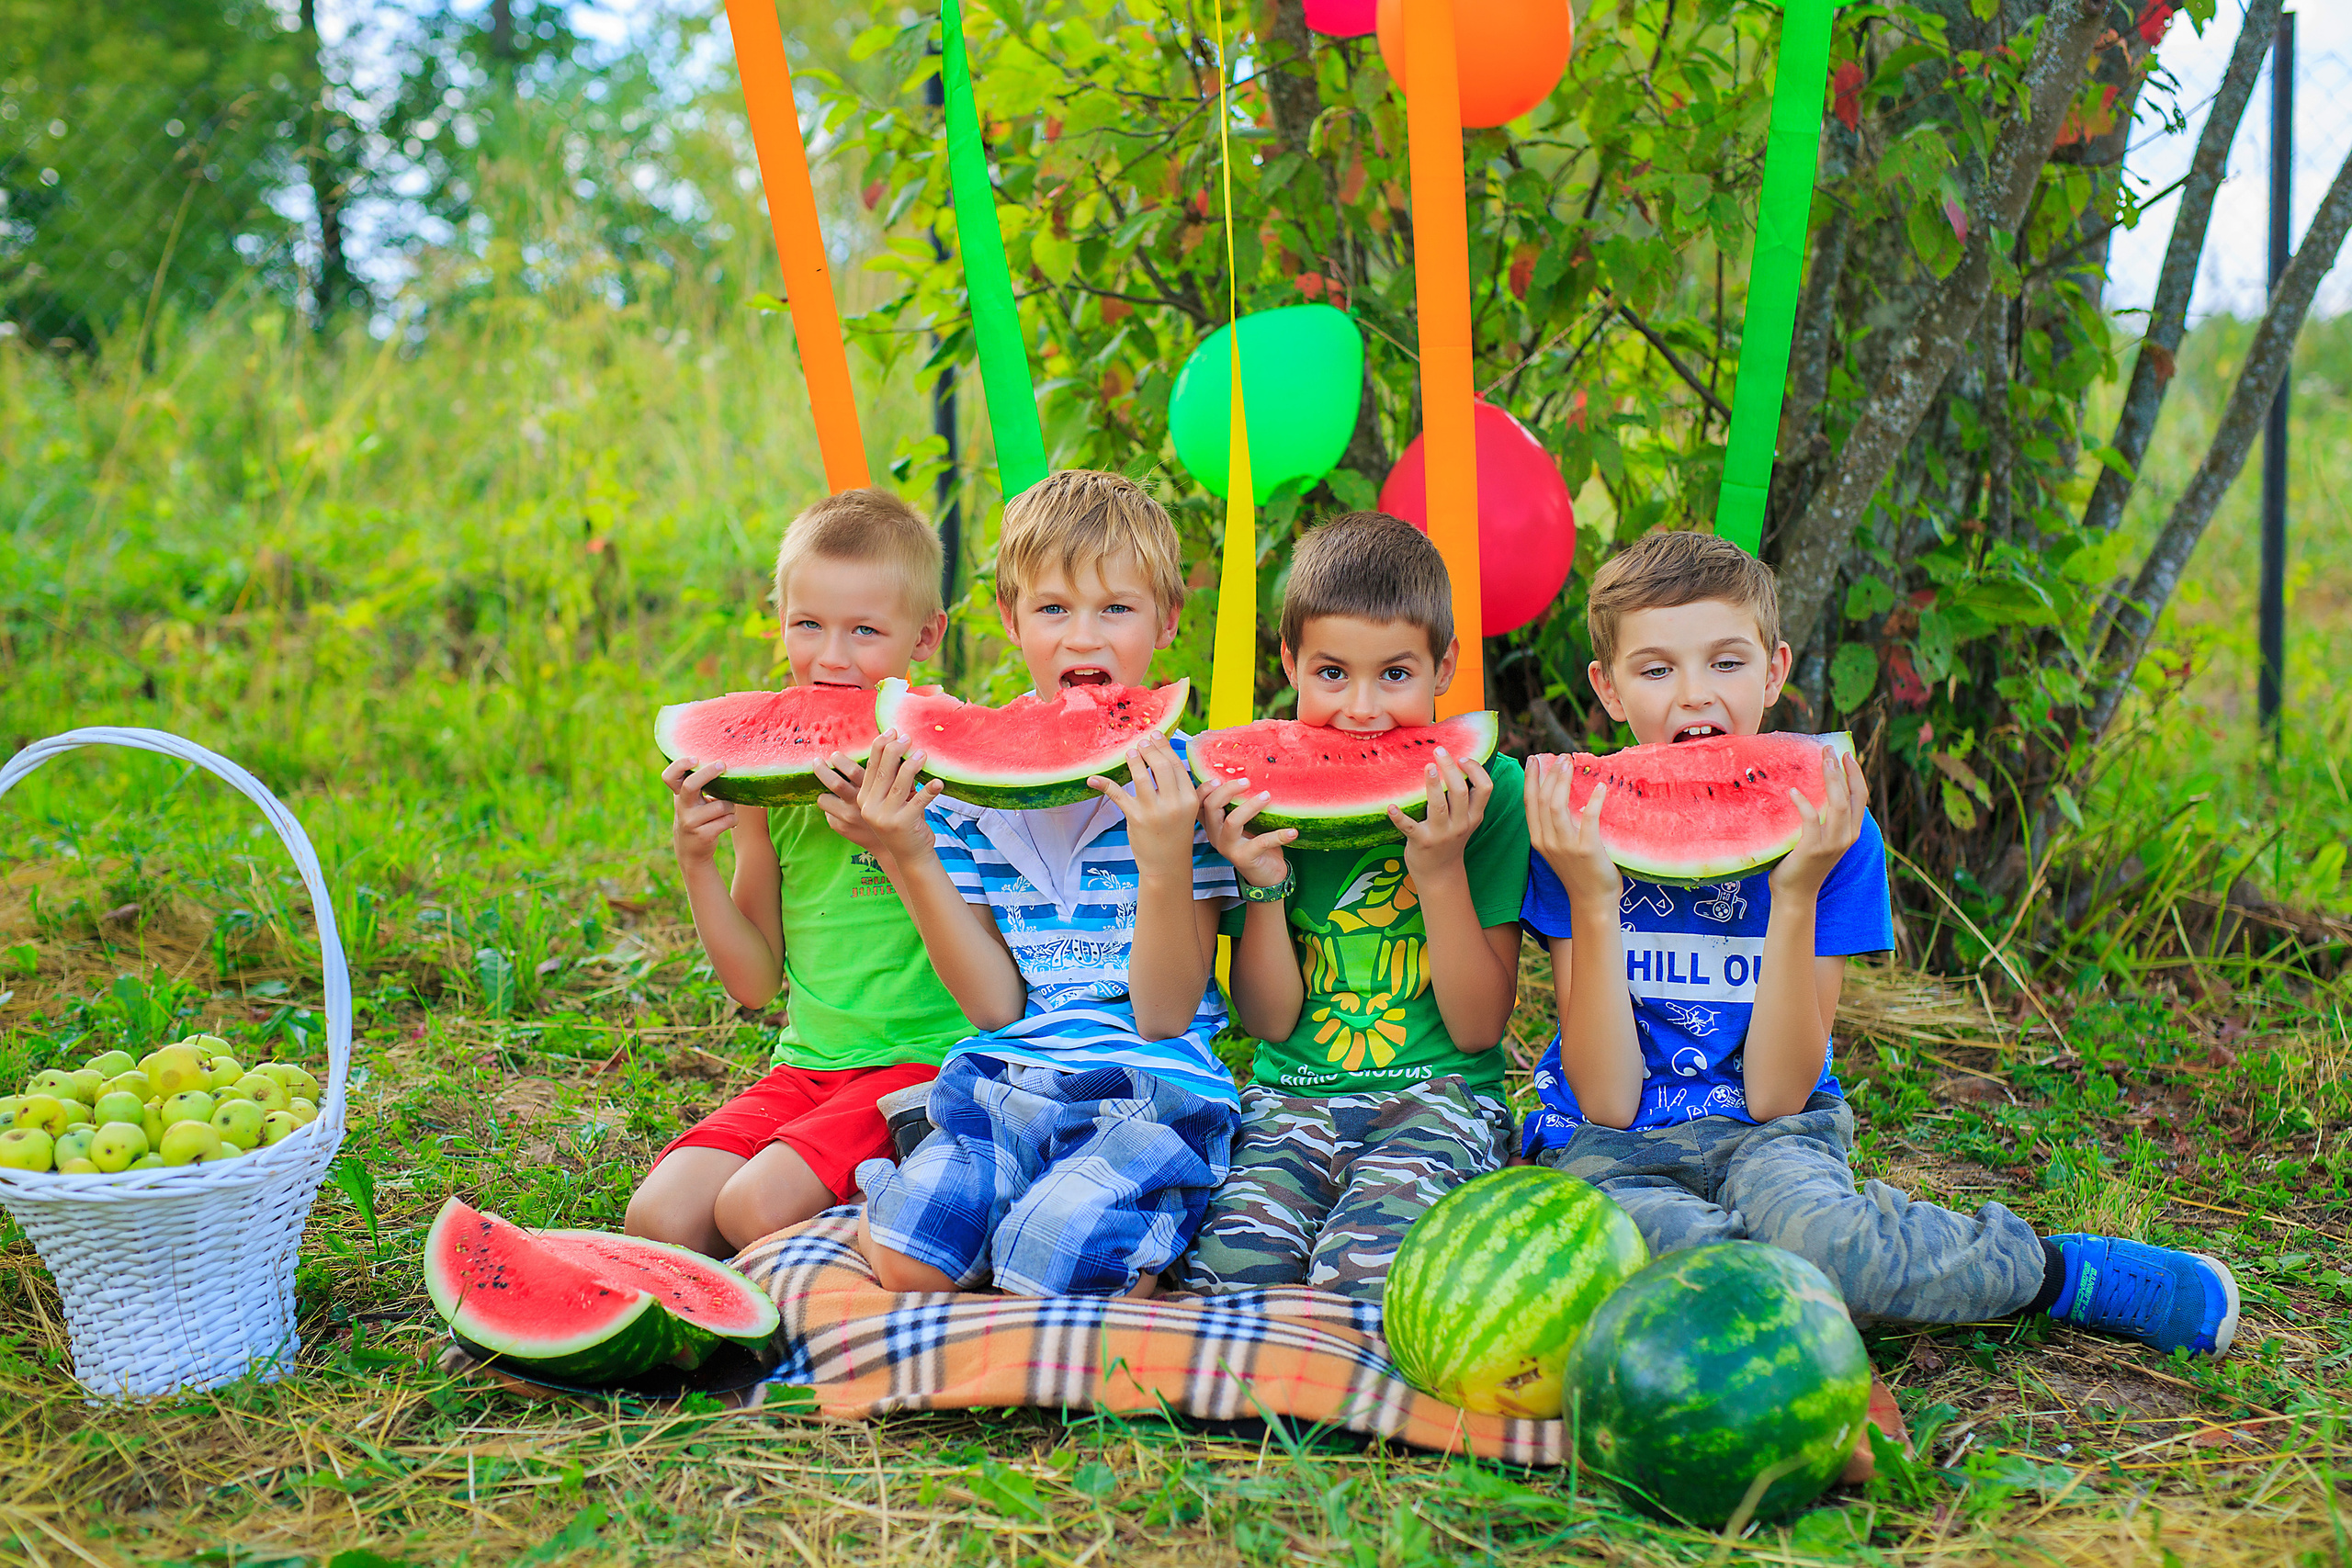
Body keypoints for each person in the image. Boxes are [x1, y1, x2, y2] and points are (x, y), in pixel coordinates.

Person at [1521, 528, 2239, 1363]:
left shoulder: (1834, 834)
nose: (1695, 696)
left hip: (1771, 1133)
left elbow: (1780, 1092)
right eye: (1656, 669)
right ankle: (1812, 1289)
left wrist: (1794, 889)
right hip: (1606, 1147)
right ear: (1607, 689)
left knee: (1824, 1246)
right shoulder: (1572, 832)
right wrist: (1593, 892)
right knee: (1670, 1267)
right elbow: (1606, 1097)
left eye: (1726, 662)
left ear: (1776, 668)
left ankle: (2055, 1271)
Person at [850, 469, 1240, 1298]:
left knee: (1057, 1263)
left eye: (1117, 608)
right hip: (1005, 1075)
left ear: (1168, 618)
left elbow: (1165, 1015)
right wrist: (910, 853)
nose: (1082, 638)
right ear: (1010, 619)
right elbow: (995, 1007)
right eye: (1054, 609)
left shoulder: (1187, 787)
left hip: (1153, 1084)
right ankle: (989, 1205)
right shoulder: (970, 795)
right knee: (908, 1262)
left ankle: (1112, 1220)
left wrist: (1168, 859)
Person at [1180, 513, 1527, 1302]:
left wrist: (1439, 870)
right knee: (1229, 1277)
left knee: (1364, 1280)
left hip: (1441, 1099)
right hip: (1289, 1097)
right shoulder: (1252, 801)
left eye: (1395, 675)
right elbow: (1268, 1021)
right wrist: (1261, 883)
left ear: (1446, 668)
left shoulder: (1489, 795)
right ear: (1290, 663)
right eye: (1332, 673)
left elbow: (1479, 1028)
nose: (1362, 709)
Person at [625, 490, 970, 1258]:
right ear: (778, 616)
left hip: (928, 1066)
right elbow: (754, 984)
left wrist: (898, 839)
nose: (831, 657)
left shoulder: (950, 764)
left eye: (865, 631)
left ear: (927, 634)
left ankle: (919, 1210)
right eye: (807, 623)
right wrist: (696, 861)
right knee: (662, 1219)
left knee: (751, 1209)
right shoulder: (767, 788)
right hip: (809, 1069)